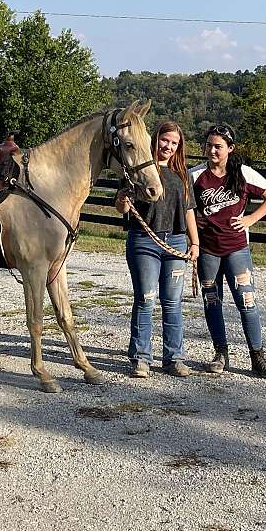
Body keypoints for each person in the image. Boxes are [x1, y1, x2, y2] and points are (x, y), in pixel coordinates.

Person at [190, 124, 266, 378]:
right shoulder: (195, 176)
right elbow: (183, 206)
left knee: (247, 302)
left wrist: (251, 219)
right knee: (212, 302)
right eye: (208, 145)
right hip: (208, 249)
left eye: (218, 146)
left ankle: (257, 356)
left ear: (230, 148)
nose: (212, 151)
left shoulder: (243, 173)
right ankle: (221, 353)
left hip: (236, 248)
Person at [115, 120, 199, 378]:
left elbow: (188, 211)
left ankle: (174, 357)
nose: (169, 147)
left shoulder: (182, 175)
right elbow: (122, 209)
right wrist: (122, 201)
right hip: (144, 240)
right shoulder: (138, 170)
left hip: (174, 241)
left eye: (174, 143)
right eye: (166, 140)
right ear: (155, 138)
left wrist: (194, 243)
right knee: (146, 299)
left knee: (172, 302)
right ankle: (141, 358)